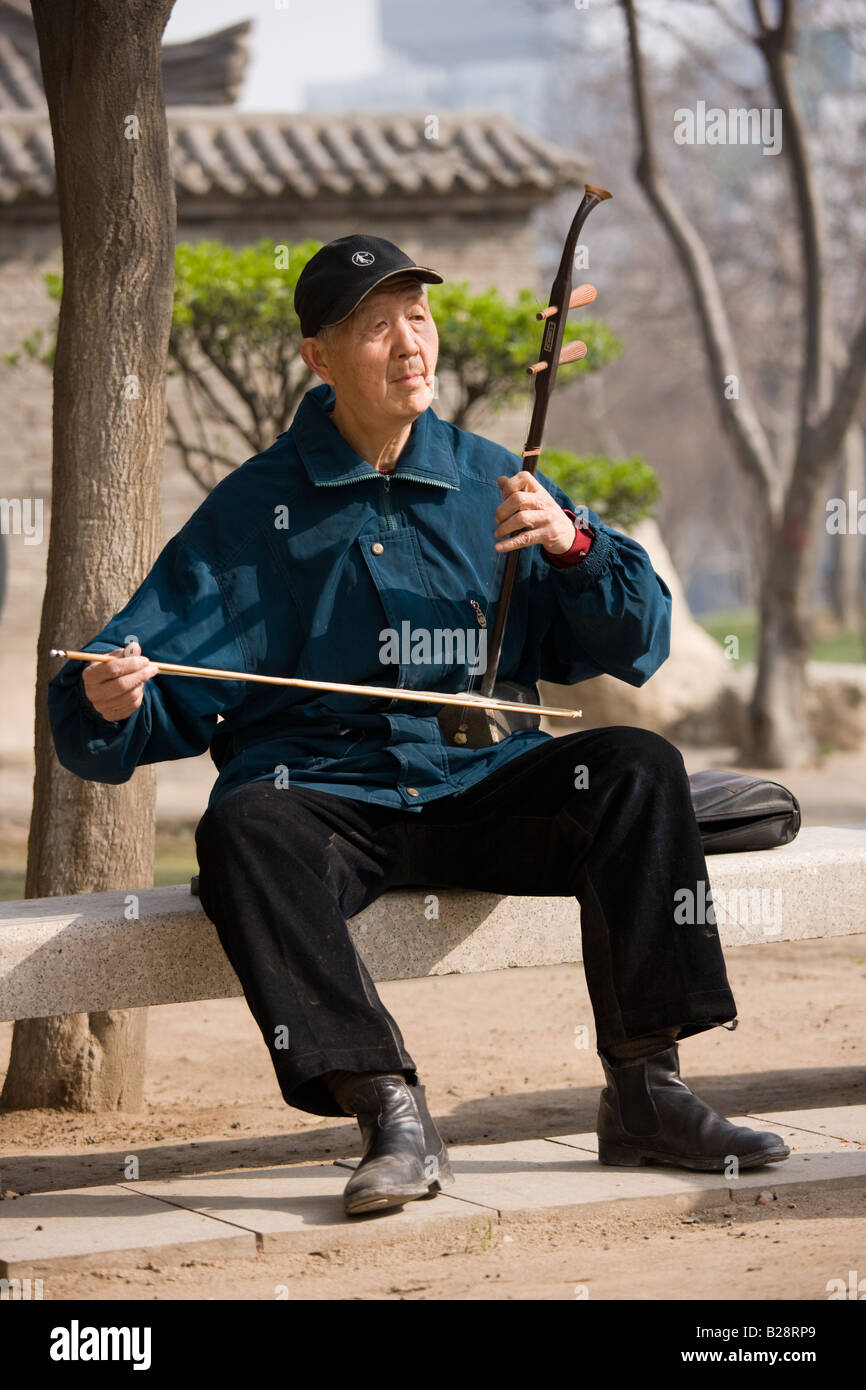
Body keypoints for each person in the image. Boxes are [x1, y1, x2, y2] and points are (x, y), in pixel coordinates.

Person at [49, 233, 789, 1217]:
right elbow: (141, 662)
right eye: (376, 328)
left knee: (633, 766)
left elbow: (634, 638)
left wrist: (572, 550)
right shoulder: (258, 508)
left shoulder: (492, 477)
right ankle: (386, 1106)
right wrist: (112, 697)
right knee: (243, 827)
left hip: (481, 787)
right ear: (318, 357)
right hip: (325, 797)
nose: (411, 347)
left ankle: (647, 1090)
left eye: (420, 317)